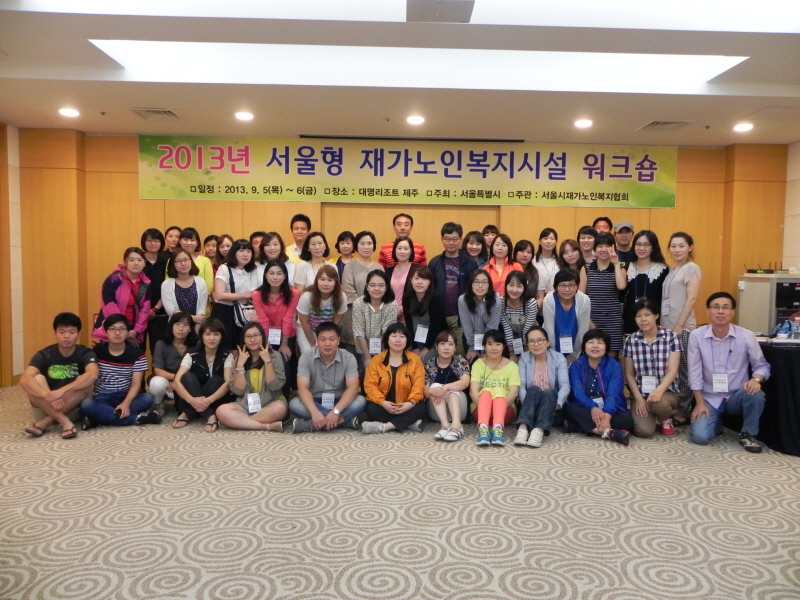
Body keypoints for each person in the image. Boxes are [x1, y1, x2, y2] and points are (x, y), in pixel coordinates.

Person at [688, 292, 770, 453]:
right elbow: (694, 371)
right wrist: (699, 403)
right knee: (699, 437)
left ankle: (748, 434)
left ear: (732, 312)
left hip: (736, 395)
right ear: (708, 311)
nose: (720, 311)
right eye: (715, 307)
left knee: (756, 394)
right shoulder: (696, 336)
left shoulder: (746, 336)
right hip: (709, 397)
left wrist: (756, 380)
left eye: (725, 308)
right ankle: (716, 424)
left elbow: (762, 365)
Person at [21, 312, 98, 439]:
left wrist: (62, 391)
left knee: (85, 380)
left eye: (72, 332)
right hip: (46, 406)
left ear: (78, 334)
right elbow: (24, 379)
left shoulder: (85, 353)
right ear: (55, 334)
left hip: (73, 408)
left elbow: (93, 374)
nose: (67, 336)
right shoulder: (44, 354)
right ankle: (63, 420)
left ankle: (47, 421)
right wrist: (48, 396)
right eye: (62, 332)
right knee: (35, 380)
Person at [80, 315, 161, 429]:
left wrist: (126, 403)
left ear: (127, 332)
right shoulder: (96, 351)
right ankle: (136, 418)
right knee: (86, 404)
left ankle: (99, 418)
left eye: (122, 329)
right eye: (112, 329)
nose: (117, 333)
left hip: (126, 396)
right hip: (102, 398)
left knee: (147, 398)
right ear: (105, 332)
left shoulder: (137, 354)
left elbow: (136, 384)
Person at [289, 322, 366, 433]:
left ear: (338, 340)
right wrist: (314, 412)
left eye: (332, 339)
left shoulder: (348, 357)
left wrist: (336, 411)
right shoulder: (306, 357)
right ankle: (344, 422)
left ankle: (313, 425)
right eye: (323, 339)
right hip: (315, 401)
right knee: (294, 404)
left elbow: (353, 388)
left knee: (360, 401)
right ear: (317, 341)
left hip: (340, 401)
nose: (327, 344)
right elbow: (302, 388)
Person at [622, 299, 682, 438]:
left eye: (647, 314)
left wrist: (658, 391)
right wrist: (638, 398)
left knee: (659, 404)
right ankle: (649, 413)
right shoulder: (631, 340)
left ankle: (664, 418)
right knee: (644, 431)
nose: (643, 319)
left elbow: (672, 371)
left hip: (666, 393)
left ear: (656, 315)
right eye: (638, 316)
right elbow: (629, 374)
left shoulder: (671, 337)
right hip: (642, 393)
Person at [564, 329, 632, 445]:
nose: (595, 346)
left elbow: (613, 393)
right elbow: (577, 392)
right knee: (570, 409)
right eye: (591, 342)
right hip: (586, 408)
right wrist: (593, 408)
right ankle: (608, 433)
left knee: (626, 421)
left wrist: (607, 416)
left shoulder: (614, 366)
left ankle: (579, 426)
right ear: (584, 346)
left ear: (606, 347)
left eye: (600, 342)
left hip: (609, 408)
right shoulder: (577, 365)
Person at [662, 232, 702, 426]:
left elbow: (692, 298)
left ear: (690, 247)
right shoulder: (672, 270)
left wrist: (679, 325)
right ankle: (673, 407)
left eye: (681, 246)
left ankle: (684, 411)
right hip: (667, 328)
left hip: (682, 328)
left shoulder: (692, 268)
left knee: (684, 369)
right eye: (673, 246)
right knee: (672, 370)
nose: (677, 250)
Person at [216, 322, 287, 432]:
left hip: (270, 403)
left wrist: (268, 361)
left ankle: (239, 422)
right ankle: (265, 426)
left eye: (256, 335)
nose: (252, 340)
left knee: (280, 409)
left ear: (263, 337)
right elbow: (238, 391)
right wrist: (240, 366)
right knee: (221, 410)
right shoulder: (240, 358)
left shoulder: (274, 356)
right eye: (248, 336)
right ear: (243, 340)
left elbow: (274, 386)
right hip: (245, 405)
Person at [362, 324, 426, 434]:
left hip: (406, 405)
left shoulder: (415, 360)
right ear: (387, 339)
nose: (398, 340)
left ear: (407, 340)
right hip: (383, 406)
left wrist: (410, 403)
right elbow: (370, 386)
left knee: (421, 408)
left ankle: (385, 427)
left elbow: (418, 385)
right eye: (394, 336)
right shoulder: (376, 360)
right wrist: (383, 402)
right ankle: (408, 423)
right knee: (371, 408)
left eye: (402, 336)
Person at [171, 318, 234, 432]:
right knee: (188, 377)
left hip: (214, 402)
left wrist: (207, 400)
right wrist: (192, 400)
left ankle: (187, 413)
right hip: (189, 401)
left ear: (221, 337)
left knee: (217, 380)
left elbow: (228, 383)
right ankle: (210, 416)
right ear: (202, 336)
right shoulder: (191, 354)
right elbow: (176, 382)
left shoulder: (227, 356)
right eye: (208, 334)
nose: (211, 338)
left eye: (216, 334)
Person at [514, 326, 570, 447]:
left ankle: (539, 431)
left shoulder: (558, 358)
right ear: (528, 344)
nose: (536, 344)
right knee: (534, 389)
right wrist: (527, 404)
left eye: (540, 340)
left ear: (547, 342)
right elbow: (521, 385)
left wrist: (557, 404)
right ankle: (523, 429)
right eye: (532, 341)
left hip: (552, 409)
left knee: (549, 391)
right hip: (529, 407)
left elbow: (565, 385)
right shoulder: (524, 358)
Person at [428, 223, 478, 357]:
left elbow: (474, 290)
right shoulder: (434, 262)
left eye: (455, 239)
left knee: (460, 353)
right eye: (447, 239)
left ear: (460, 239)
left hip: (460, 317)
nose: (451, 243)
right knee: (440, 353)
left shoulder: (470, 263)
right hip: (439, 316)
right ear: (442, 239)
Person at [252, 259, 300, 396]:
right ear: (265, 275)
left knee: (285, 361)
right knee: (270, 361)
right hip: (266, 335)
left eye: (279, 273)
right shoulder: (257, 294)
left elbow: (288, 318)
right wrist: (266, 342)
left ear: (285, 276)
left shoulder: (293, 293)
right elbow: (263, 320)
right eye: (271, 273)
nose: (275, 277)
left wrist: (284, 343)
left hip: (287, 335)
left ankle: (287, 394)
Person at [470, 329, 520, 446]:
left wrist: (498, 408)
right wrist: (486, 408)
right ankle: (483, 429)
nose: (494, 348)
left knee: (499, 390)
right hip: (480, 409)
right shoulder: (478, 364)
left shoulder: (512, 366)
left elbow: (513, 393)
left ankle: (498, 430)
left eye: (498, 344)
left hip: (506, 410)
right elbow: (473, 392)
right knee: (486, 391)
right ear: (484, 346)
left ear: (503, 347)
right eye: (490, 344)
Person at [92, 247, 151, 346]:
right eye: (131, 260)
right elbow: (109, 305)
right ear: (125, 262)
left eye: (140, 260)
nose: (136, 263)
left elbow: (145, 310)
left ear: (144, 263)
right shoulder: (113, 280)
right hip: (114, 330)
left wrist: (136, 330)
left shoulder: (146, 283)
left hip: (134, 332)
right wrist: (121, 329)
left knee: (134, 355)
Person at [210, 239, 259, 350]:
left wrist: (249, 295)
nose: (245, 254)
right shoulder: (224, 268)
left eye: (248, 251)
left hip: (244, 313)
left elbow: (253, 294)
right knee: (225, 348)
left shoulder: (253, 269)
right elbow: (220, 295)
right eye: (241, 251)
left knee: (241, 348)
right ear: (234, 252)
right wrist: (244, 295)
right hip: (225, 312)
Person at [341, 231, 383, 355]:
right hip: (354, 317)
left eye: (369, 243)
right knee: (353, 358)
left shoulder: (379, 267)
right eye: (362, 243)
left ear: (374, 246)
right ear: (356, 246)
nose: (366, 247)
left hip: (375, 319)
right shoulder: (349, 267)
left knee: (374, 359)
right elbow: (349, 292)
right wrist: (367, 309)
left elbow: (383, 292)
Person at [584, 232, 626, 357]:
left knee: (611, 360)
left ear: (614, 248)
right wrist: (588, 321)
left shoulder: (620, 268)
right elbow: (581, 298)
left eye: (607, 246)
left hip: (612, 321)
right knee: (592, 357)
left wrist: (616, 264)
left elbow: (621, 286)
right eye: (600, 246)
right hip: (592, 319)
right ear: (594, 249)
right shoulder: (586, 268)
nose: (603, 249)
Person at [424, 331, 471, 442]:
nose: (446, 348)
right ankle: (445, 425)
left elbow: (465, 382)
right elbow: (425, 392)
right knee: (435, 386)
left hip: (459, 407)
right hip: (436, 410)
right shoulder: (429, 364)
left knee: (452, 391)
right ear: (436, 347)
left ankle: (457, 425)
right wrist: (432, 391)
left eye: (450, 344)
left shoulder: (460, 361)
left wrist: (447, 387)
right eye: (442, 344)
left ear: (455, 348)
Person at [149, 311, 197, 416]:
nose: (181, 328)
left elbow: (197, 369)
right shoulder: (161, 343)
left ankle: (188, 406)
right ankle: (158, 403)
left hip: (186, 382)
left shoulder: (196, 345)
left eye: (185, 325)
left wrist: (179, 381)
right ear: (171, 326)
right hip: (167, 382)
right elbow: (158, 370)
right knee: (157, 383)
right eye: (177, 324)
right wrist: (175, 378)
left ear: (190, 328)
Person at [623, 230, 668, 334]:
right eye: (638, 244)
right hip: (631, 319)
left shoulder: (662, 269)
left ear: (653, 247)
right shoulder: (627, 267)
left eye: (646, 245)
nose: (641, 248)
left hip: (653, 320)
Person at [296, 264, 348, 355]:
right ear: (317, 280)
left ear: (336, 282)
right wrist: (313, 344)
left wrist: (327, 339)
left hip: (328, 330)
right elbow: (304, 322)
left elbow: (335, 324)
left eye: (330, 280)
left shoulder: (341, 296)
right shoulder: (307, 296)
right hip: (307, 329)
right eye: (322, 279)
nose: (325, 284)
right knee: (310, 354)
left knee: (328, 353)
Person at [543, 269, 591, 362]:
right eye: (562, 285)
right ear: (556, 287)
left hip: (576, 347)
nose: (567, 289)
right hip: (552, 348)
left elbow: (583, 330)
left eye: (571, 285)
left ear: (577, 286)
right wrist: (554, 354)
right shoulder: (549, 299)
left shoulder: (584, 300)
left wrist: (574, 354)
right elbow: (549, 331)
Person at [352, 270, 399, 364]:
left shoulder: (392, 305)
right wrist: (368, 358)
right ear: (367, 287)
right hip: (363, 349)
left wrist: (380, 357)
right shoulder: (358, 304)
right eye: (372, 285)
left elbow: (388, 332)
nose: (377, 289)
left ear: (386, 287)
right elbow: (359, 332)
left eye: (381, 285)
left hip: (384, 349)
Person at [403, 266, 447, 360]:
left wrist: (426, 347)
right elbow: (409, 324)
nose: (420, 282)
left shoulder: (435, 298)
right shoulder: (407, 297)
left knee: (423, 360)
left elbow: (436, 327)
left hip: (435, 340)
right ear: (411, 280)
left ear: (429, 282)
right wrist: (414, 347)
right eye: (416, 278)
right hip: (415, 339)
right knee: (406, 358)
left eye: (424, 279)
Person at [458, 269, 502, 362]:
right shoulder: (463, 300)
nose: (480, 285)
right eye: (476, 282)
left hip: (490, 340)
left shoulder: (496, 302)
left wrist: (485, 350)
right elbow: (467, 326)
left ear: (489, 285)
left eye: (484, 282)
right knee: (472, 363)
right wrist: (472, 348)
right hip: (469, 339)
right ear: (471, 284)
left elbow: (492, 328)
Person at [161, 249, 209, 327]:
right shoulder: (166, 284)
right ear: (173, 264)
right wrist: (193, 318)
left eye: (186, 260)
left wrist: (196, 330)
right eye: (178, 261)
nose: (183, 263)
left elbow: (201, 311)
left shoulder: (201, 282)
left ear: (191, 261)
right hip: (176, 327)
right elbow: (171, 310)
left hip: (197, 326)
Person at [141, 228, 169, 353]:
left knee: (158, 349)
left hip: (160, 312)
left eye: (157, 240)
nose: (153, 243)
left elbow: (168, 287)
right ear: (144, 242)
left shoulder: (166, 261)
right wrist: (145, 310)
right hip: (139, 312)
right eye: (149, 240)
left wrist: (155, 309)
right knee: (137, 348)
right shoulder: (138, 260)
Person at [500, 271, 538, 362]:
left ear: (524, 288)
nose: (514, 290)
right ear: (506, 286)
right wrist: (511, 353)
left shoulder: (531, 303)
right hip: (510, 341)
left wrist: (525, 352)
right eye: (511, 285)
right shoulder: (500, 303)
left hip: (530, 340)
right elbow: (507, 329)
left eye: (519, 286)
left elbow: (527, 329)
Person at [176, 227, 214, 299]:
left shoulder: (205, 261)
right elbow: (169, 281)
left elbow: (209, 285)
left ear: (197, 243)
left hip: (202, 301)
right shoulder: (172, 260)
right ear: (180, 241)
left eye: (192, 240)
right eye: (186, 240)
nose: (189, 243)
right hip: (177, 301)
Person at [385, 236, 416, 322]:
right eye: (399, 248)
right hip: (390, 316)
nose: (402, 251)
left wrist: (404, 307)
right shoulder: (388, 271)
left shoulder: (416, 271)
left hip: (409, 315)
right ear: (394, 251)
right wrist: (392, 308)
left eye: (406, 248)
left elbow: (418, 293)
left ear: (411, 251)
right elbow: (385, 293)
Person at [533, 228, 559, 308]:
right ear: (539, 241)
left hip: (557, 302)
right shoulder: (533, 261)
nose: (549, 241)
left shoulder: (560, 261)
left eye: (552, 239)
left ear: (556, 242)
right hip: (537, 303)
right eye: (545, 238)